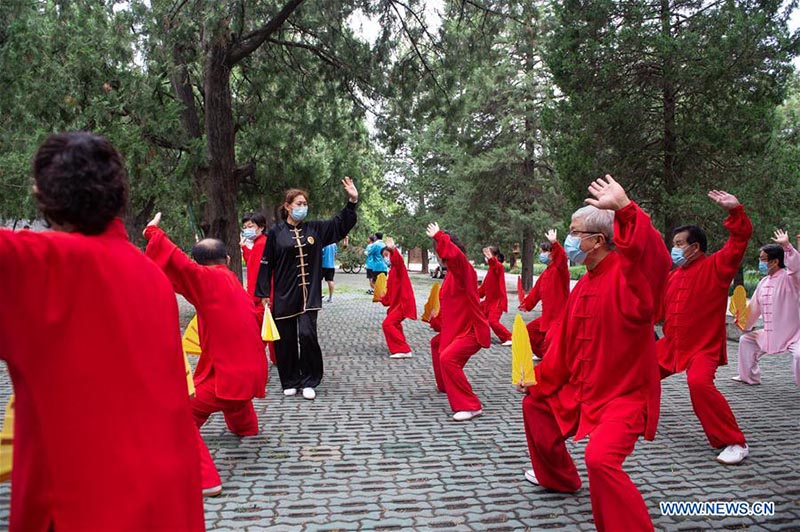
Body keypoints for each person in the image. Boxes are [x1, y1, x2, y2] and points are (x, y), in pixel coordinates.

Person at [0, 132, 204, 531]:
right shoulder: (151, 276)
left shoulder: (36, 265)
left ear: (43, 195)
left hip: (84, 505)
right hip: (166, 498)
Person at [520, 175, 670, 532]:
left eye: (575, 233)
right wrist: (538, 380)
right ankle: (559, 478)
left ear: (597, 241)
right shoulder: (585, 282)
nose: (569, 240)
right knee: (535, 406)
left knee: (600, 458)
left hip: (624, 395)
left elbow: (655, 262)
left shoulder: (630, 278)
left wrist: (627, 210)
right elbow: (565, 349)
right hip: (585, 389)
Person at [144, 213, 268, 498]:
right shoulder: (231, 280)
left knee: (177, 416)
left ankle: (205, 479)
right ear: (226, 259)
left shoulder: (205, 279)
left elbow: (177, 263)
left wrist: (153, 232)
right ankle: (246, 427)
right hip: (252, 371)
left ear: (201, 263)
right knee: (231, 396)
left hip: (230, 375)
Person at [657, 190, 751, 465]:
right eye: (673, 243)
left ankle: (735, 441)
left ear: (695, 247)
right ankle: (633, 419)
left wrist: (736, 212)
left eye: (678, 243)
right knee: (639, 373)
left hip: (702, 347)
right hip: (672, 345)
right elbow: (658, 311)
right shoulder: (673, 277)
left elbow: (739, 240)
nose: (674, 248)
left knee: (698, 383)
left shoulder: (716, 267)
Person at [255, 179, 358, 400]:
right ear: (287, 206)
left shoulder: (315, 229)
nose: (303, 207)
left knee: (307, 334)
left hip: (308, 295)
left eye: (305, 203)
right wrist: (263, 293)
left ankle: (310, 379)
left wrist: (352, 201)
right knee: (286, 338)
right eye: (299, 203)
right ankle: (290, 380)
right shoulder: (275, 233)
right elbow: (266, 263)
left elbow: (339, 225)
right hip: (284, 293)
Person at [426, 222, 491, 421]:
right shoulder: (451, 276)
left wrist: (439, 236)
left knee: (448, 358)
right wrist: (435, 321)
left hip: (472, 331)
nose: (439, 256)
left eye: (441, 253)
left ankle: (471, 405)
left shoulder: (464, 270)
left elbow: (456, 259)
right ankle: (446, 384)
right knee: (436, 344)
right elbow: (451, 308)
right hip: (457, 329)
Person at [735, 229, 800, 387]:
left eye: (763, 259)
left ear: (775, 261)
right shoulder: (763, 282)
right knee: (746, 341)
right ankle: (749, 377)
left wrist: (787, 246)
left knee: (799, 356)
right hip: (771, 332)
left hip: (795, 334)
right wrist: (744, 323)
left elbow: (796, 267)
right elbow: (754, 308)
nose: (760, 262)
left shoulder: (791, 278)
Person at [519, 230, 570, 360]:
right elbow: (536, 292)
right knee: (529, 331)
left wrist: (554, 243)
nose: (541, 255)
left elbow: (562, 259)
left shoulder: (560, 270)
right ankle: (544, 356)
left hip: (560, 317)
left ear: (552, 254)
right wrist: (526, 305)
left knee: (550, 341)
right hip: (547, 316)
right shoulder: (546, 273)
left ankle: (552, 361)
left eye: (544, 252)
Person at [241, 212, 276, 364]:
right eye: (245, 227)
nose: (247, 229)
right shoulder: (260, 243)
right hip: (264, 295)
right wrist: (245, 248)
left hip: (261, 297)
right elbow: (252, 262)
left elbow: (258, 274)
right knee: (269, 329)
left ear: (261, 227)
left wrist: (254, 297)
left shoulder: (261, 244)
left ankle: (256, 362)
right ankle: (276, 360)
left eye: (251, 226)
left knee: (260, 333)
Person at [380, 237, 417, 358]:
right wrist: (382, 298)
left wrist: (392, 248)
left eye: (387, 255)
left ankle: (403, 349)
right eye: (383, 256)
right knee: (393, 323)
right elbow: (391, 292)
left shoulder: (399, 267)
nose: (386, 258)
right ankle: (400, 346)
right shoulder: (392, 271)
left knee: (388, 324)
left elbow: (398, 261)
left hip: (403, 303)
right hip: (397, 304)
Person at [478, 246, 513, 346]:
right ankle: (476, 335)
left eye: (489, 254)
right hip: (488, 302)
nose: (487, 257)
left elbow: (495, 265)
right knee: (477, 315)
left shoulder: (499, 267)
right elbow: (483, 289)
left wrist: (491, 259)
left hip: (497, 302)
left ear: (495, 256)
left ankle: (509, 337)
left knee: (493, 321)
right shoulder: (490, 270)